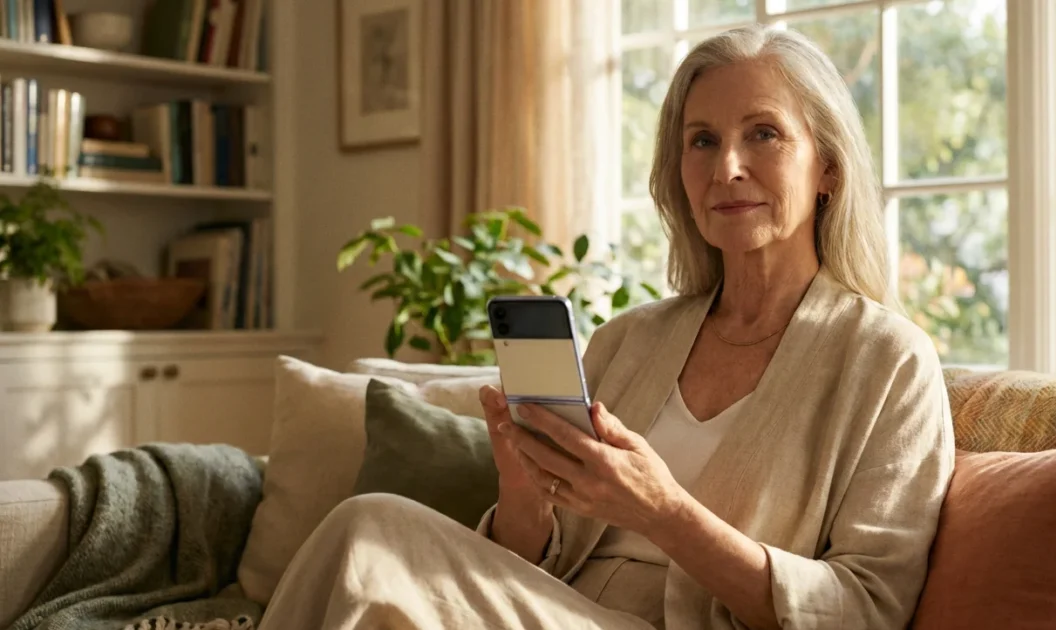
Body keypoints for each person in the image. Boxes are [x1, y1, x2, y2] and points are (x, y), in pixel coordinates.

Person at [259, 23, 953, 630]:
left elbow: (866, 608)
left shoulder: (889, 362)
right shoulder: (631, 339)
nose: (727, 168)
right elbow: (536, 562)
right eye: (702, 141)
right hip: (554, 610)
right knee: (373, 544)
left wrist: (664, 513)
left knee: (372, 529)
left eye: (763, 134)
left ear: (827, 166)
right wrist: (522, 499)